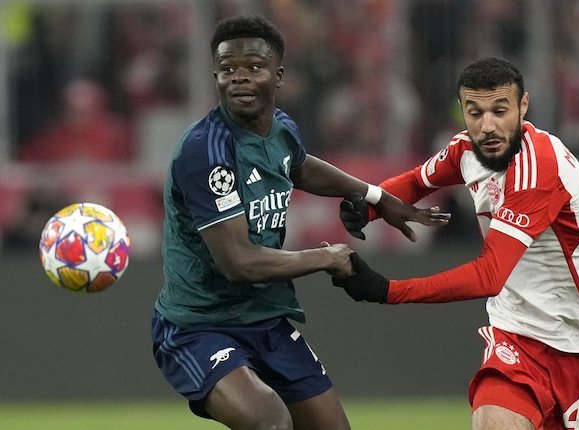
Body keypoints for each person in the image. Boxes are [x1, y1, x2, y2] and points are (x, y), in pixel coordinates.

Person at [150, 15, 449, 430]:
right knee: (268, 422)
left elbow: (301, 167)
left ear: (279, 75)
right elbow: (238, 263)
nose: (238, 78)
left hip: (265, 319)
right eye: (227, 70)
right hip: (199, 327)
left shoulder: (282, 128)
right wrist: (326, 259)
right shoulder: (206, 152)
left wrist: (374, 195)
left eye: (253, 67)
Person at [334, 57, 579, 430]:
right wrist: (371, 205)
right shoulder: (466, 150)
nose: (487, 126)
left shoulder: (538, 168)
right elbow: (417, 181)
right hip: (516, 330)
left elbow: (490, 275)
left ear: (523, 107)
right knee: (492, 422)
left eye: (500, 110)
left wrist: (388, 290)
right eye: (474, 112)